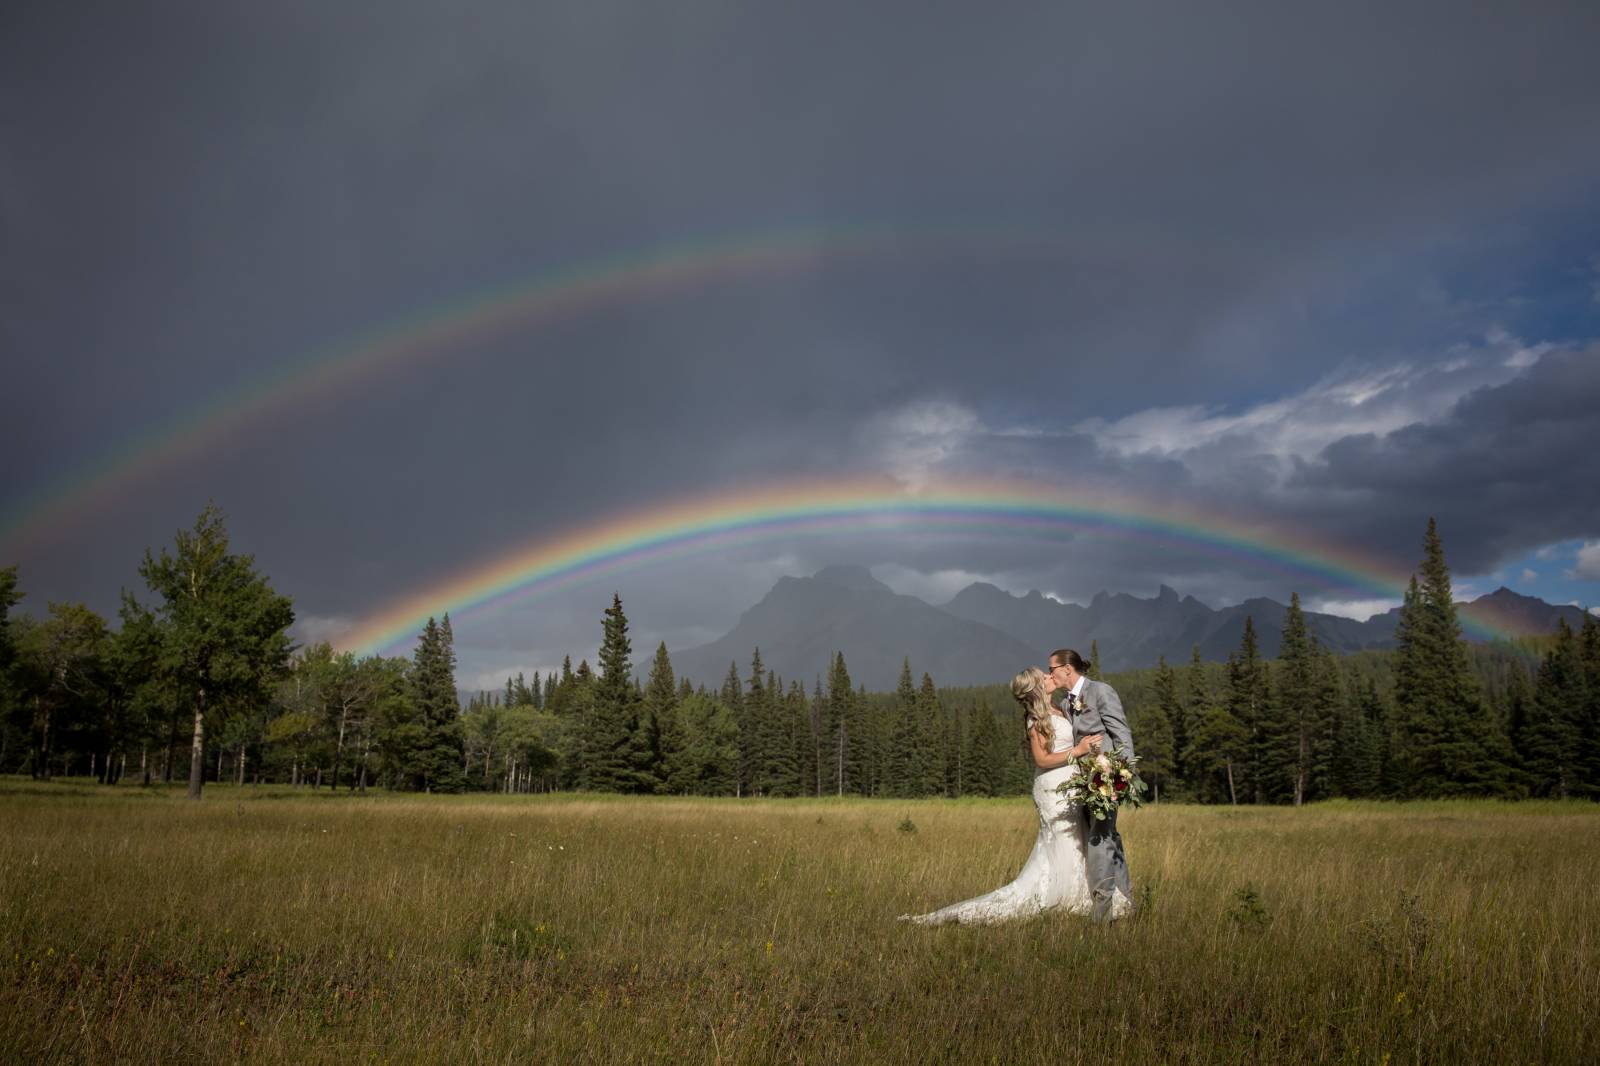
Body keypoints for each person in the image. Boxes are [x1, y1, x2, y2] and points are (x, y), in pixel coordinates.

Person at [899, 666, 1100, 925]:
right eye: (1045, 677)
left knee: (1075, 838)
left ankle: (1078, 893)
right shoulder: (1035, 719)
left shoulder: (1059, 709)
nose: (1050, 677)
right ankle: (1059, 897)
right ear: (1037, 688)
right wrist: (1079, 750)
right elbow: (1042, 758)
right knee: (1059, 842)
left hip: (1070, 783)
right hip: (1052, 787)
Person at [1047, 648, 1135, 921]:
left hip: (1106, 779)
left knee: (1099, 840)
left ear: (1067, 669)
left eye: (1052, 668)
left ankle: (1102, 914)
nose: (1050, 673)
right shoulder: (1065, 703)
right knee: (1110, 839)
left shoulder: (1100, 691)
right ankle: (1127, 903)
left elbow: (1121, 733)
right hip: (1081, 781)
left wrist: (1124, 775)